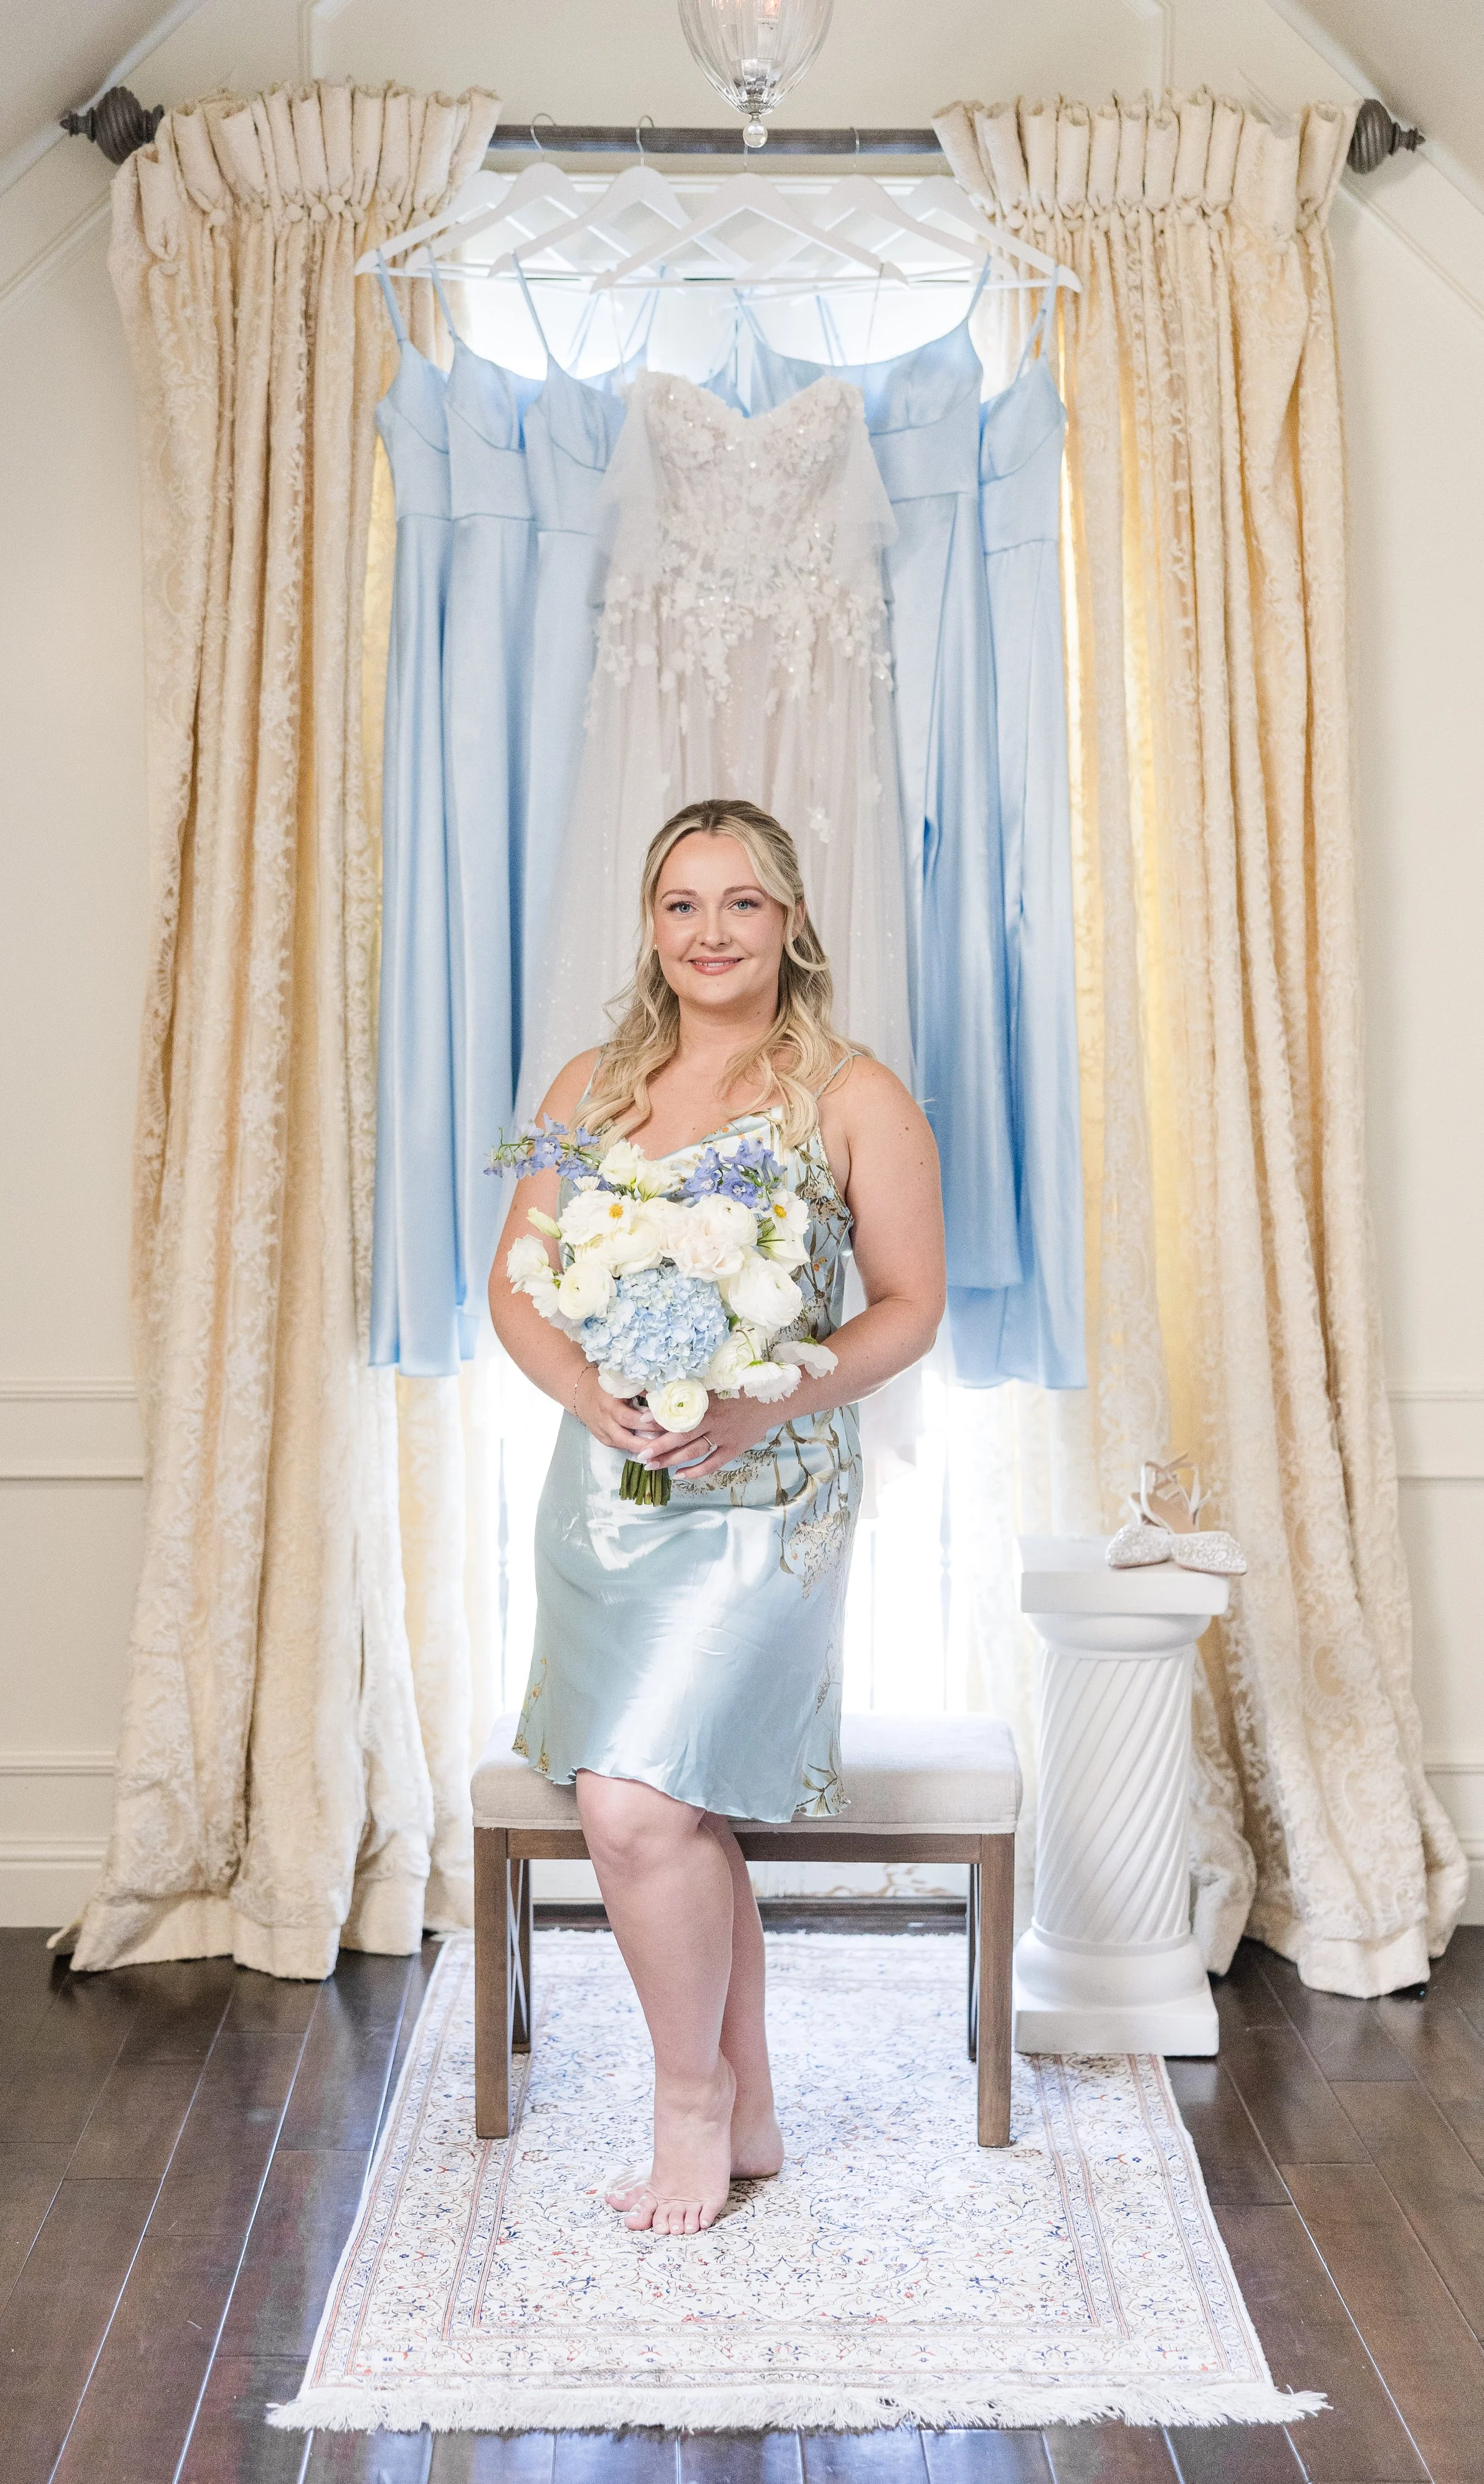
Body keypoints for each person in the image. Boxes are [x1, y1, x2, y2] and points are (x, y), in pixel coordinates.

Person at [488, 798, 946, 2236]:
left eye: (740, 904)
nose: (709, 933)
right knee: (665, 1804)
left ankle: (683, 2099)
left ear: (793, 922)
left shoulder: (852, 1094)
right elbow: (517, 1279)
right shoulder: (591, 1084)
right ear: (649, 925)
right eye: (681, 905)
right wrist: (583, 1394)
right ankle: (739, 2102)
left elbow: (910, 1310)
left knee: (632, 1803)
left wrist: (768, 1399)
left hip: (771, 1494)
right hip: (611, 1498)